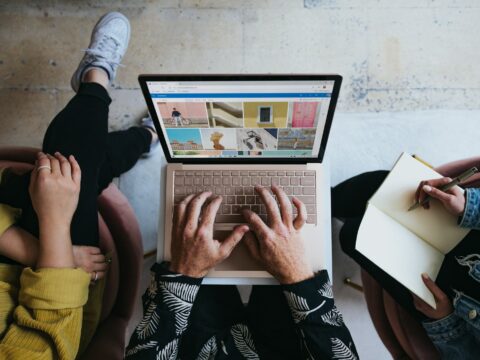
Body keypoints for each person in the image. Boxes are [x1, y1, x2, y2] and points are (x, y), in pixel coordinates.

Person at [0, 11, 158, 357]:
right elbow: (48, 330)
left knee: (75, 165)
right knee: (77, 165)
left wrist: (30, 246)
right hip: (59, 297)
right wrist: (54, 230)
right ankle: (100, 83)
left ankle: (111, 96)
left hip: (18, 241)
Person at [126, 186, 358, 359]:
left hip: (195, 348)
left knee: (192, 238)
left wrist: (185, 273)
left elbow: (146, 351)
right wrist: (295, 273)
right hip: (291, 347)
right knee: (278, 234)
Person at [332, 170, 480, 358]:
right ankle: (319, 202)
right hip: (465, 224)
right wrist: (470, 205)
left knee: (352, 236)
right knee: (382, 188)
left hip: (441, 298)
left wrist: (445, 320)